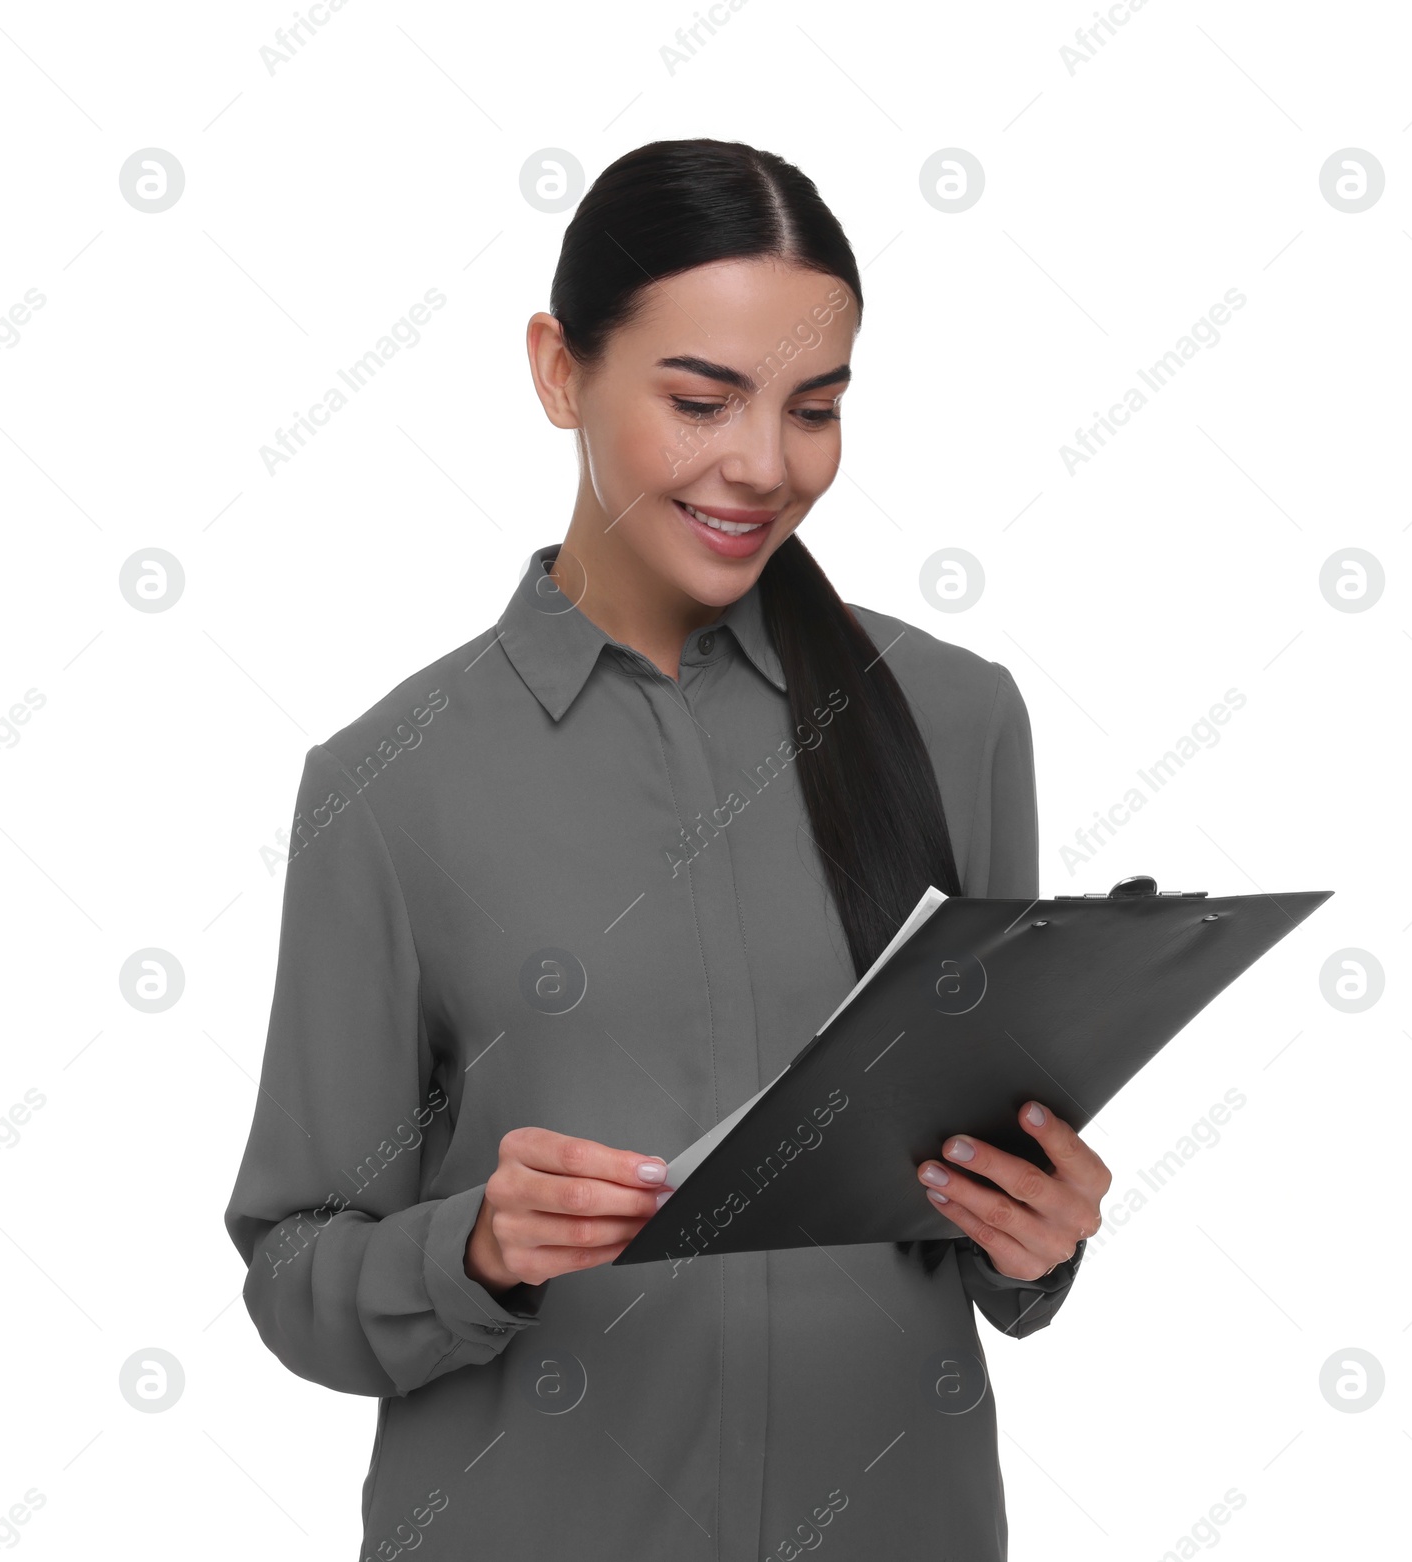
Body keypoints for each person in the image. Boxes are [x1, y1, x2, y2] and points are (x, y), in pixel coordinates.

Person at [224, 136, 1111, 1561]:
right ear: (560, 371)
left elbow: (984, 1206)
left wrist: (1040, 1236)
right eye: (702, 399)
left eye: (813, 408)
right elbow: (293, 1273)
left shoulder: (957, 720)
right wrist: (474, 1246)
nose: (764, 465)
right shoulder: (388, 787)